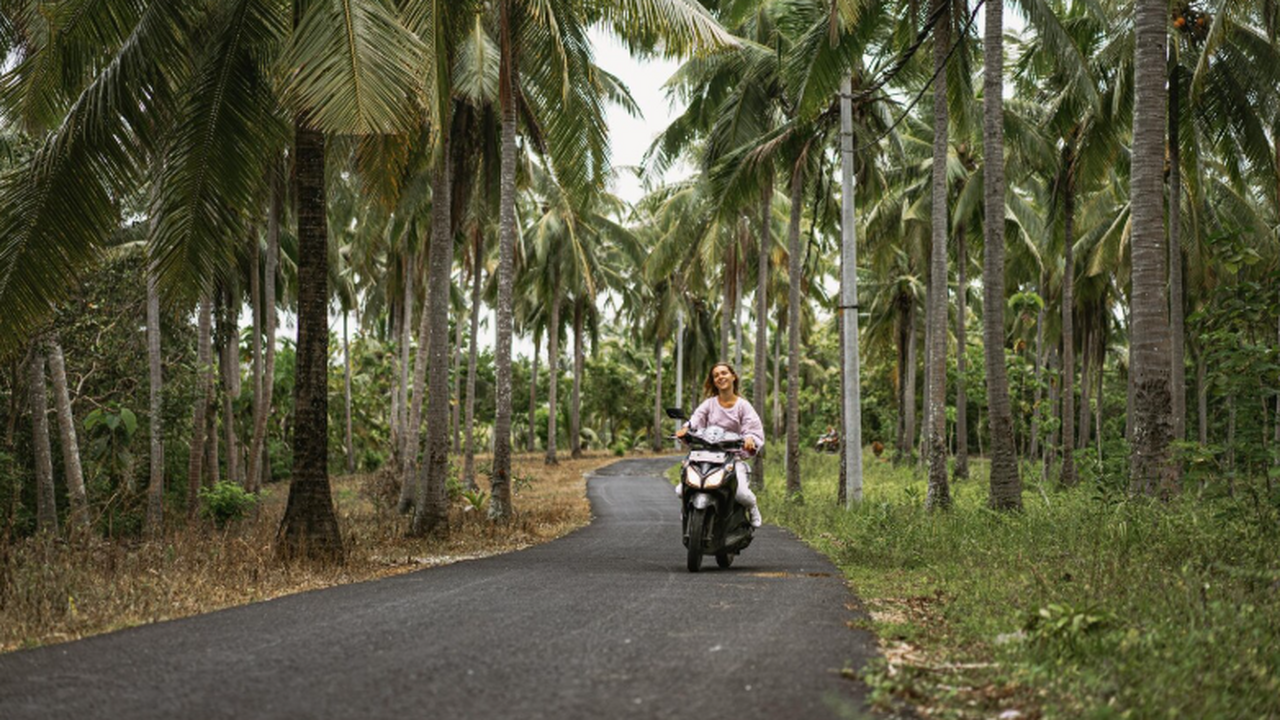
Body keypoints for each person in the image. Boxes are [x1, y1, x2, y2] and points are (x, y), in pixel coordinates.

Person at [675, 362, 764, 528]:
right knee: (681, 490)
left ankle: (753, 508)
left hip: (731, 458)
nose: (720, 377)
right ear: (713, 381)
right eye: (716, 375)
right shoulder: (709, 404)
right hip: (705, 456)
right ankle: (689, 509)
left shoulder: (743, 406)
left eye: (724, 373)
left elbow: (752, 427)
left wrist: (750, 438)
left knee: (742, 494)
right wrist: (686, 428)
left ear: (733, 376)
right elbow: (696, 419)